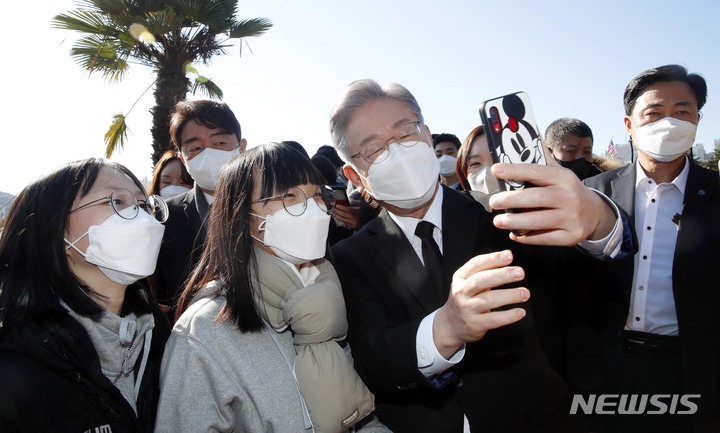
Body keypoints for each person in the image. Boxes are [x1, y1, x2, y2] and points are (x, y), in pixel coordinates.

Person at [328, 79, 631, 433]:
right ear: (355, 175)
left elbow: (588, 276)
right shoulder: (348, 255)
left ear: (426, 136)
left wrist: (597, 219)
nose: (396, 150)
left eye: (405, 132)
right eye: (374, 148)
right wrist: (446, 329)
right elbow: (373, 358)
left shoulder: (502, 215)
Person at [155, 142, 389, 433]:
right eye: (288, 195)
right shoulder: (203, 332)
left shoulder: (326, 297)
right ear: (242, 215)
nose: (312, 208)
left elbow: (358, 418)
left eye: (317, 194)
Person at [576, 64, 719, 433]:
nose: (668, 123)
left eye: (682, 112)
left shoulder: (715, 194)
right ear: (629, 125)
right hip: (607, 369)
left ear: (697, 120)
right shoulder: (593, 194)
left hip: (691, 372)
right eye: (654, 113)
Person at [0, 158, 170, 432]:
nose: (141, 218)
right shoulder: (13, 369)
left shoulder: (163, 340)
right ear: (54, 228)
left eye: (142, 205)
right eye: (116, 201)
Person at [155, 99, 247, 316]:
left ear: (241, 147)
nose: (208, 154)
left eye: (219, 144)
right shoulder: (163, 218)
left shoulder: (271, 206)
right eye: (195, 148)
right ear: (183, 159)